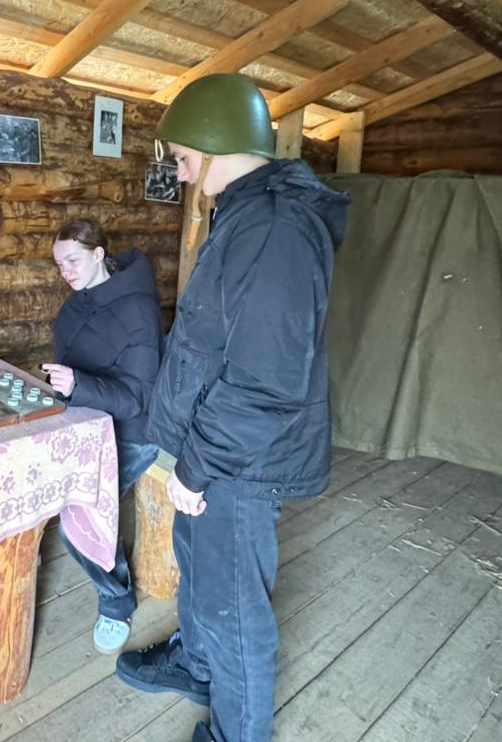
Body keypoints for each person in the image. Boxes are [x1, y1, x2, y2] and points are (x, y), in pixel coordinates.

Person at [116, 74, 350, 742]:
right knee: (201, 572)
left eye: (183, 155)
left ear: (217, 140)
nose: (179, 170)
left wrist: (199, 466)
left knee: (234, 608)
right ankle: (198, 666)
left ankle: (238, 732)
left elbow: (266, 380)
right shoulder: (247, 211)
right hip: (214, 449)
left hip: (240, 462)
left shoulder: (276, 229)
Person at [41, 218, 163, 654]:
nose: (65, 272)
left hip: (132, 433)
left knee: (80, 514)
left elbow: (139, 398)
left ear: (98, 254)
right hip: (88, 421)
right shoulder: (80, 299)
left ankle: (116, 602)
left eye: (73, 261)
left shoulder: (137, 310)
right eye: (59, 264)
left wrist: (78, 385)